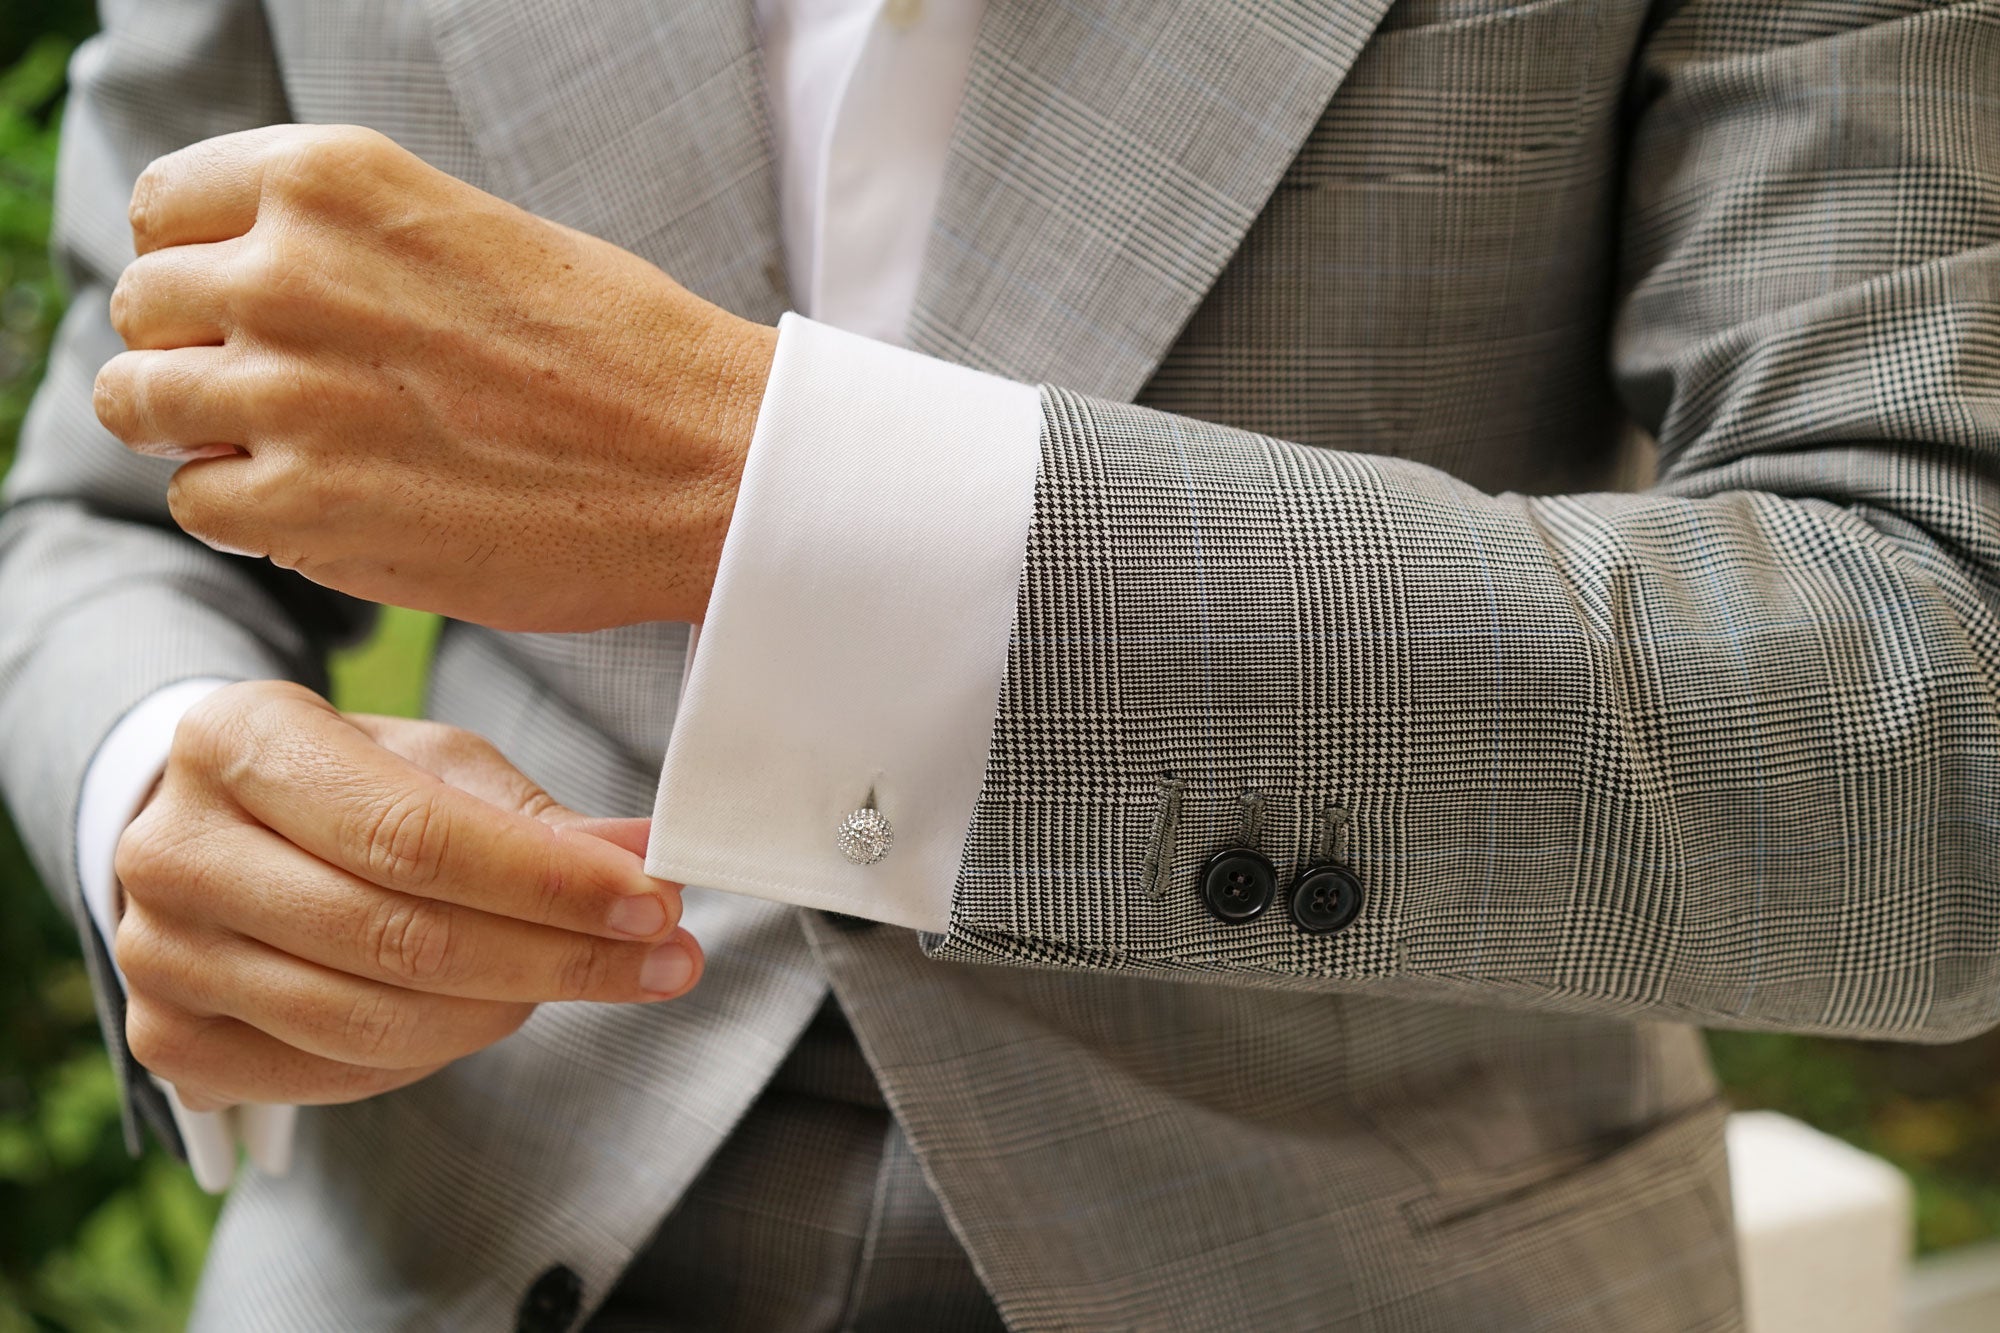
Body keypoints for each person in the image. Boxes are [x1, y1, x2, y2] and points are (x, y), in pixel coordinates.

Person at [2, 0, 1995, 1328]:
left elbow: (1941, 706)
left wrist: (768, 494)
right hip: (440, 1234)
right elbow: (96, 494)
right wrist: (157, 774)